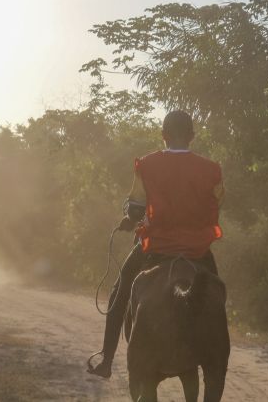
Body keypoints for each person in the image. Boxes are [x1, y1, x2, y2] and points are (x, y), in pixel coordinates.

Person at [89, 110, 225, 379]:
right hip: (197, 249)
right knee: (217, 296)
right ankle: (216, 354)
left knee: (121, 289)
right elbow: (217, 202)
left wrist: (130, 219)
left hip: (157, 245)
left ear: (163, 136)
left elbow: (137, 207)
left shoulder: (148, 165)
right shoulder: (211, 169)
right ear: (192, 137)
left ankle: (106, 359)